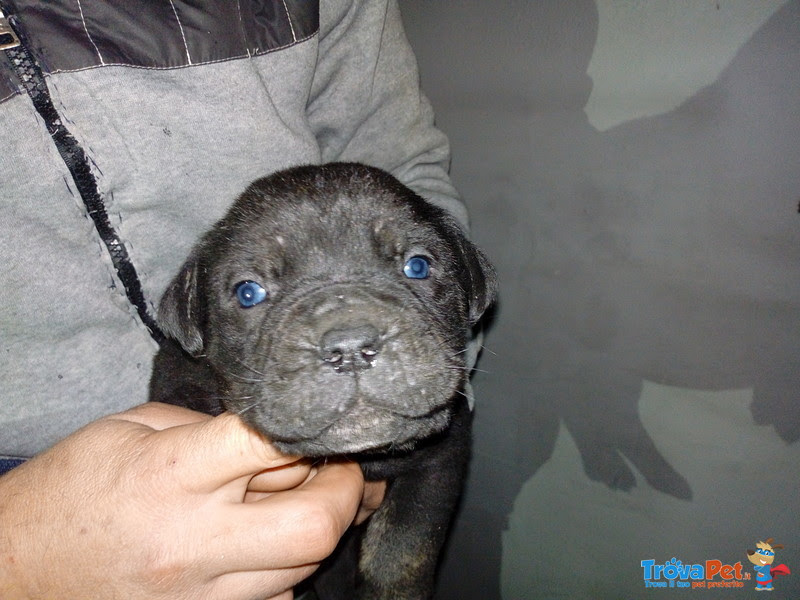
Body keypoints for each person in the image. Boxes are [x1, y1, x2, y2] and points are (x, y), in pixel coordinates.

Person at [0, 0, 471, 598]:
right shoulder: (187, 367)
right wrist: (15, 556)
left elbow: (407, 171)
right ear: (194, 318)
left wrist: (431, 378)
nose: (350, 338)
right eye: (251, 292)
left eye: (414, 266)